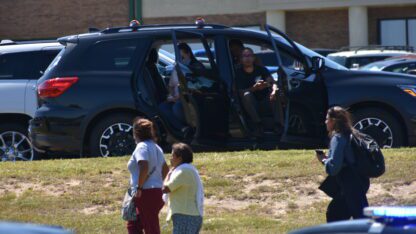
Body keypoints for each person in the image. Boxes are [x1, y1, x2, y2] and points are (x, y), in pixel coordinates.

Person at [316, 106, 370, 222]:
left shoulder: (338, 138)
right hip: (361, 181)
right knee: (361, 219)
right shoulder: (354, 133)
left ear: (333, 121)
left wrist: (324, 160)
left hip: (350, 185)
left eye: (327, 119)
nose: (325, 122)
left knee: (334, 215)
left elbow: (334, 168)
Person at [127, 118, 169, 234]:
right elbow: (166, 169)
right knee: (133, 225)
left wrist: (139, 188)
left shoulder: (141, 147)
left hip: (145, 193)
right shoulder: (157, 147)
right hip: (156, 192)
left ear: (136, 132)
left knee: (151, 229)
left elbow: (144, 166)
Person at [159, 42, 207, 132]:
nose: (180, 60)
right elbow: (171, 85)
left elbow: (199, 86)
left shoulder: (196, 67)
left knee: (177, 107)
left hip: (190, 99)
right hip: (177, 98)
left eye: (182, 57)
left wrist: (179, 97)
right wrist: (171, 95)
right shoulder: (177, 67)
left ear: (188, 53)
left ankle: (193, 129)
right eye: (178, 58)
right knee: (163, 106)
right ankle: (182, 128)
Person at [235, 47, 282, 137]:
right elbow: (240, 92)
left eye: (249, 56)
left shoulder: (261, 70)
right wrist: (254, 88)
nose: (247, 58)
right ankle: (258, 124)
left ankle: (278, 125)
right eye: (244, 56)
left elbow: (273, 82)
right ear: (241, 59)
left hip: (265, 100)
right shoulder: (238, 73)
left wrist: (272, 90)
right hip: (252, 103)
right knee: (246, 95)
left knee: (276, 93)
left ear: (253, 58)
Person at [163, 143, 204, 234]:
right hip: (187, 215)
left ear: (179, 158)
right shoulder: (186, 170)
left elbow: (166, 188)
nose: (170, 158)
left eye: (172, 155)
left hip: (186, 216)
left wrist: (168, 175)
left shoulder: (183, 171)